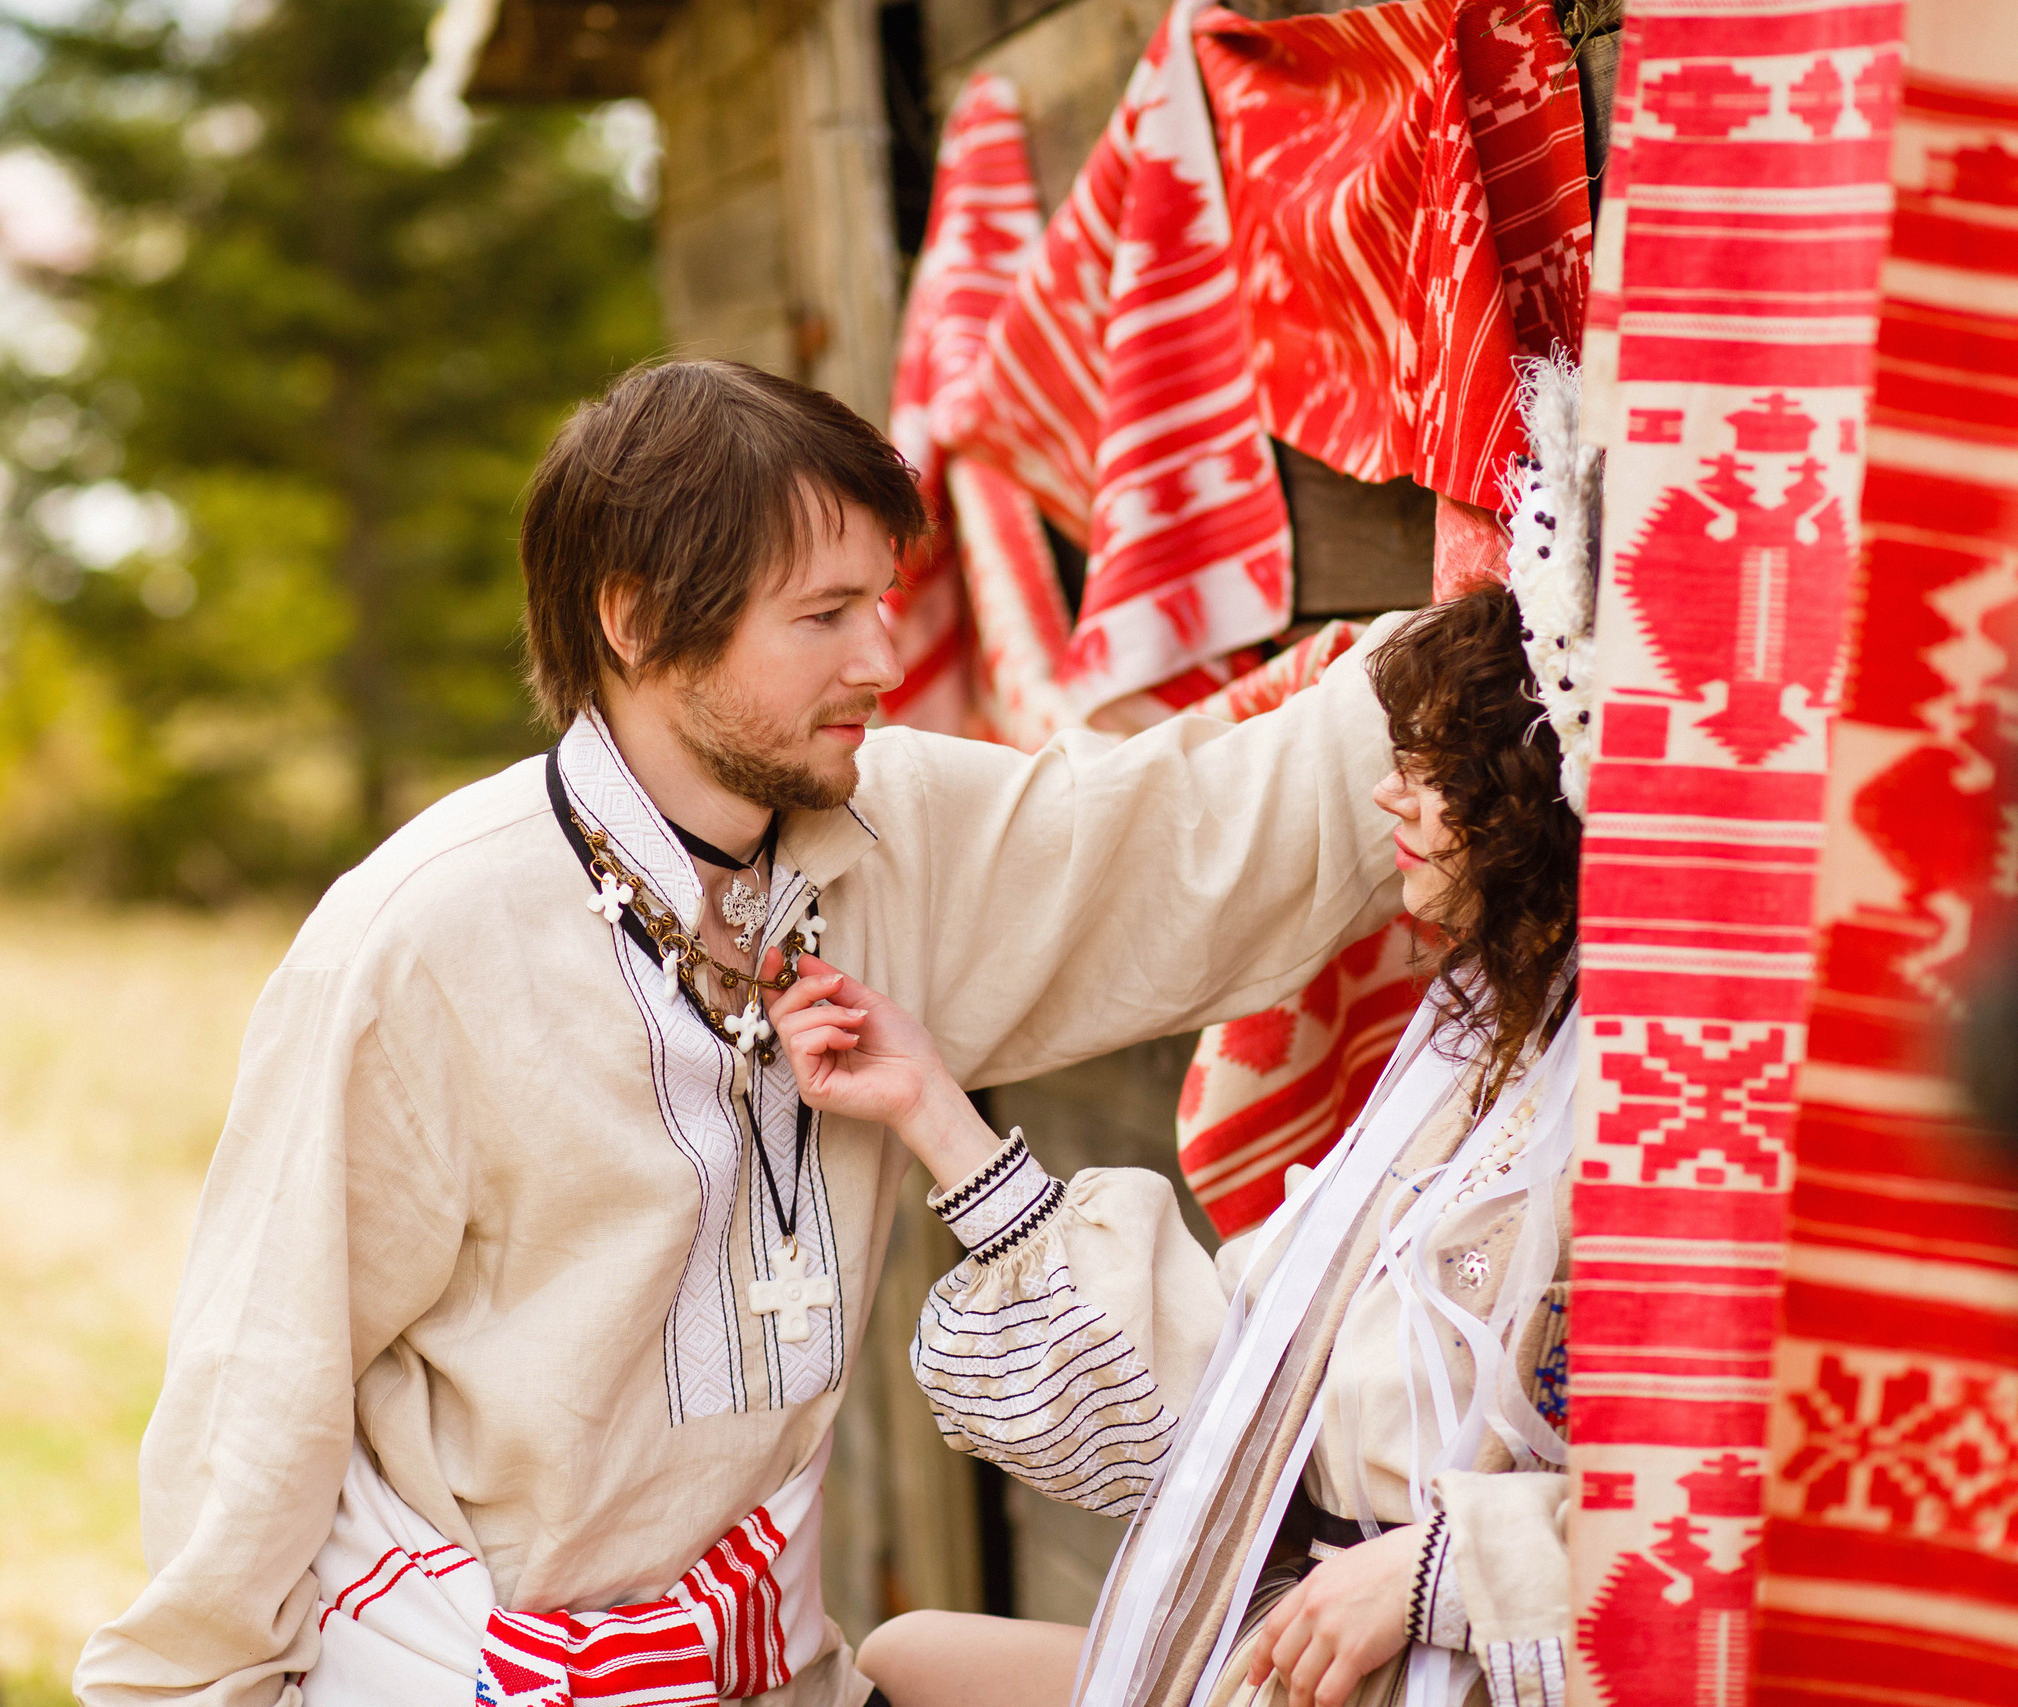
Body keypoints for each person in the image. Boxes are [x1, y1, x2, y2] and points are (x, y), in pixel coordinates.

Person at [75, 358, 1411, 1707]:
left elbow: (1189, 847)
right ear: (640, 617)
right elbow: (262, 1377)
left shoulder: (896, 835)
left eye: (879, 602)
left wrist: (1498, 648)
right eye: (823, 615)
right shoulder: (421, 940)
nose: (882, 659)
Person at [770, 581, 1587, 1707]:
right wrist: (930, 1109)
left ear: (1528, 797)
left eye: (1436, 765)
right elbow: (1214, 1399)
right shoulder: (1464, 1050)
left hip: (1457, 1661)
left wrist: (1435, 1573)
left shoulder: (1617, 1115)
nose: (1387, 793)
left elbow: (1726, 1522)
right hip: (1320, 1637)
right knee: (906, 1660)